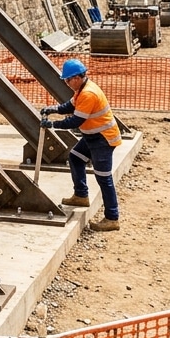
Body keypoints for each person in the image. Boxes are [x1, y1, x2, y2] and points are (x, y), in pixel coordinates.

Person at [40, 58, 122, 232]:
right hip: (93, 136)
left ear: (77, 77)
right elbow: (70, 106)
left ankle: (112, 218)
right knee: (75, 158)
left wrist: (53, 125)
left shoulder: (88, 93)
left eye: (68, 80)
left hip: (103, 139)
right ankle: (81, 195)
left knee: (104, 178)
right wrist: (53, 109)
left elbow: (76, 120)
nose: (67, 83)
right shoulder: (82, 89)